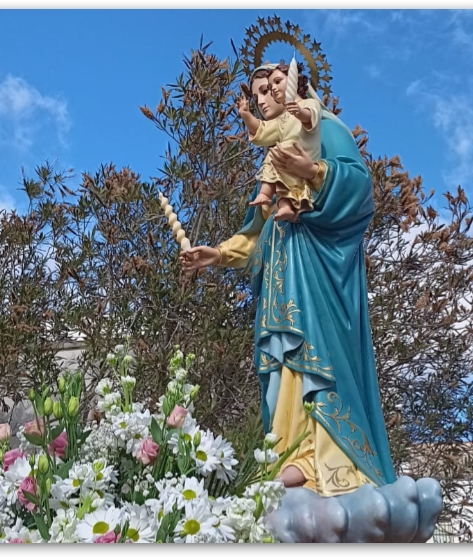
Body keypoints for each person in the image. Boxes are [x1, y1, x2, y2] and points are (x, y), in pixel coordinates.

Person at [180, 63, 396, 496]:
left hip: (316, 273)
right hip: (279, 280)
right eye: (257, 92)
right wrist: (218, 254)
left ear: (293, 86)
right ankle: (291, 456)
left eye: (268, 88)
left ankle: (330, 461)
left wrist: (314, 171)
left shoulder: (323, 127)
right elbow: (257, 233)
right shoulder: (274, 145)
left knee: (317, 357)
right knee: (282, 366)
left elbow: (360, 188)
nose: (261, 98)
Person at [237, 62, 322, 223]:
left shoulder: (311, 106)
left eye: (265, 91)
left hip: (302, 157)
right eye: (255, 99)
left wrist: (312, 171)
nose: (260, 102)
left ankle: (271, 196)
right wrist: (246, 115)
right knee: (276, 166)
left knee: (277, 154)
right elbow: (262, 130)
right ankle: (280, 204)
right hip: (284, 162)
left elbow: (311, 117)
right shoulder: (281, 120)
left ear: (293, 81)